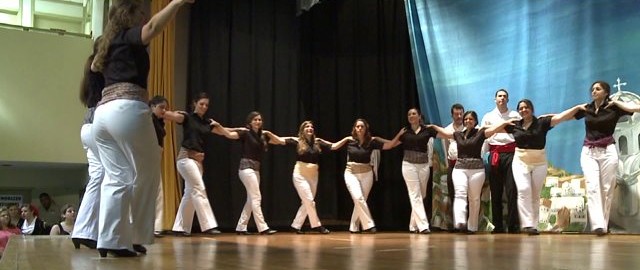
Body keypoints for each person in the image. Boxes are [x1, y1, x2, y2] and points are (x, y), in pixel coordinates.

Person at [90, 0, 195, 257]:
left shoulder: (108, 41)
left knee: (117, 178)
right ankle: (135, 236)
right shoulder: (127, 37)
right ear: (129, 16)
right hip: (127, 110)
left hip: (102, 116)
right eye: (139, 14)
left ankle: (111, 240)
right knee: (146, 175)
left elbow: (94, 68)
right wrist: (177, 3)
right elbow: (152, 28)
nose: (143, 17)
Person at [497, 99, 583, 235]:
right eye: (521, 108)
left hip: (539, 163)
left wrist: (577, 107)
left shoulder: (542, 122)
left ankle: (534, 225)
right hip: (520, 162)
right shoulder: (514, 125)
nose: (523, 110)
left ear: (532, 109)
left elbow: (562, 117)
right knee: (524, 190)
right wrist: (501, 124)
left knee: (535, 195)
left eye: (526, 107)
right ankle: (527, 224)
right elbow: (490, 130)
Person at [574, 81, 640, 236]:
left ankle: (603, 225)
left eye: (598, 89)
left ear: (605, 92)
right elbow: (565, 117)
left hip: (608, 151)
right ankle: (598, 225)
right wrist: (576, 108)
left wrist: (616, 101)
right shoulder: (587, 108)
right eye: (592, 89)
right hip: (589, 150)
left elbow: (636, 108)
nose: (594, 91)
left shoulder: (614, 108)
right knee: (592, 186)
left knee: (606, 189)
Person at [266, 121, 351, 234]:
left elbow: (333, 146)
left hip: (313, 175)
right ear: (302, 130)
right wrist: (267, 133)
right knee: (310, 201)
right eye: (307, 126)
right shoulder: (297, 141)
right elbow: (279, 140)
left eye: (311, 126)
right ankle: (317, 225)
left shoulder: (318, 142)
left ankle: (295, 226)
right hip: (300, 174)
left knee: (306, 202)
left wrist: (346, 139)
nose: (310, 128)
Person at [428, 111, 501, 233]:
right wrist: (433, 127)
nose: (468, 121)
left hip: (477, 170)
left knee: (474, 198)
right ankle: (460, 221)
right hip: (460, 168)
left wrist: (505, 122)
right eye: (466, 119)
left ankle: (472, 227)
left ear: (475, 121)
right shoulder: (458, 134)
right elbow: (444, 133)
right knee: (460, 193)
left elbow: (494, 129)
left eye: (471, 119)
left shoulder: (481, 133)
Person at [161, 93, 221, 236]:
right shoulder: (187, 117)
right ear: (195, 103)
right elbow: (171, 116)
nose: (204, 107)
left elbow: (226, 132)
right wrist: (161, 110)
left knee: (189, 193)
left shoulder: (207, 123)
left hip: (197, 161)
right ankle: (209, 225)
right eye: (201, 104)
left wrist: (241, 130)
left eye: (206, 105)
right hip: (185, 159)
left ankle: (180, 227)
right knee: (199, 188)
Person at [213, 111, 281, 235]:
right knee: (256, 197)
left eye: (260, 120)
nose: (258, 122)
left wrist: (269, 133)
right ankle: (263, 227)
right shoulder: (245, 133)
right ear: (250, 122)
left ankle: (241, 226)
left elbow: (279, 141)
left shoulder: (262, 136)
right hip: (246, 168)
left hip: (255, 170)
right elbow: (228, 134)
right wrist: (218, 126)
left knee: (251, 199)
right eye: (255, 119)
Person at [72, 37, 104, 250]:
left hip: (87, 127)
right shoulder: (100, 67)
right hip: (97, 126)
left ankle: (83, 231)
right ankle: (93, 231)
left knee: (98, 177)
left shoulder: (90, 68)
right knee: (112, 178)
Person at [343, 119, 398, 233]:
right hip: (351, 173)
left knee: (360, 200)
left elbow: (389, 145)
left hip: (367, 174)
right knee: (358, 198)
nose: (360, 128)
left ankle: (354, 227)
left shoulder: (372, 141)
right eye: (357, 126)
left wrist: (401, 136)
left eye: (362, 126)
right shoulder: (349, 140)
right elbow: (333, 146)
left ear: (366, 128)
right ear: (354, 128)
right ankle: (369, 225)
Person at [388, 108, 438, 234]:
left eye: (414, 114)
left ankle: (413, 225)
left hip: (423, 165)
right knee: (415, 195)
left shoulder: (427, 130)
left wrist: (434, 126)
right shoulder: (405, 132)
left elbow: (446, 135)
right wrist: (399, 134)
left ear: (419, 116)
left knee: (422, 195)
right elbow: (391, 145)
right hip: (409, 165)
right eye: (409, 114)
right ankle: (423, 226)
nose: (411, 116)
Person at [481, 89, 521, 233]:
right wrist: (482, 156)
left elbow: (519, 135)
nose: (502, 98)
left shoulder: (515, 115)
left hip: (512, 154)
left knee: (512, 190)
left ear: (508, 100)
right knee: (495, 191)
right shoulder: (488, 116)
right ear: (495, 99)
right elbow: (484, 137)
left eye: (504, 96)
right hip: (495, 155)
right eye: (499, 96)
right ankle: (498, 225)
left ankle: (513, 225)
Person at [443, 104, 464, 229]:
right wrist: (447, 165)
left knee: (465, 194)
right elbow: (446, 148)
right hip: (452, 165)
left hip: (466, 165)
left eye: (461, 113)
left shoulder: (468, 127)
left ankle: (466, 223)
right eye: (456, 114)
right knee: (453, 193)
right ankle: (456, 223)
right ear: (452, 115)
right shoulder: (447, 129)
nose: (459, 116)